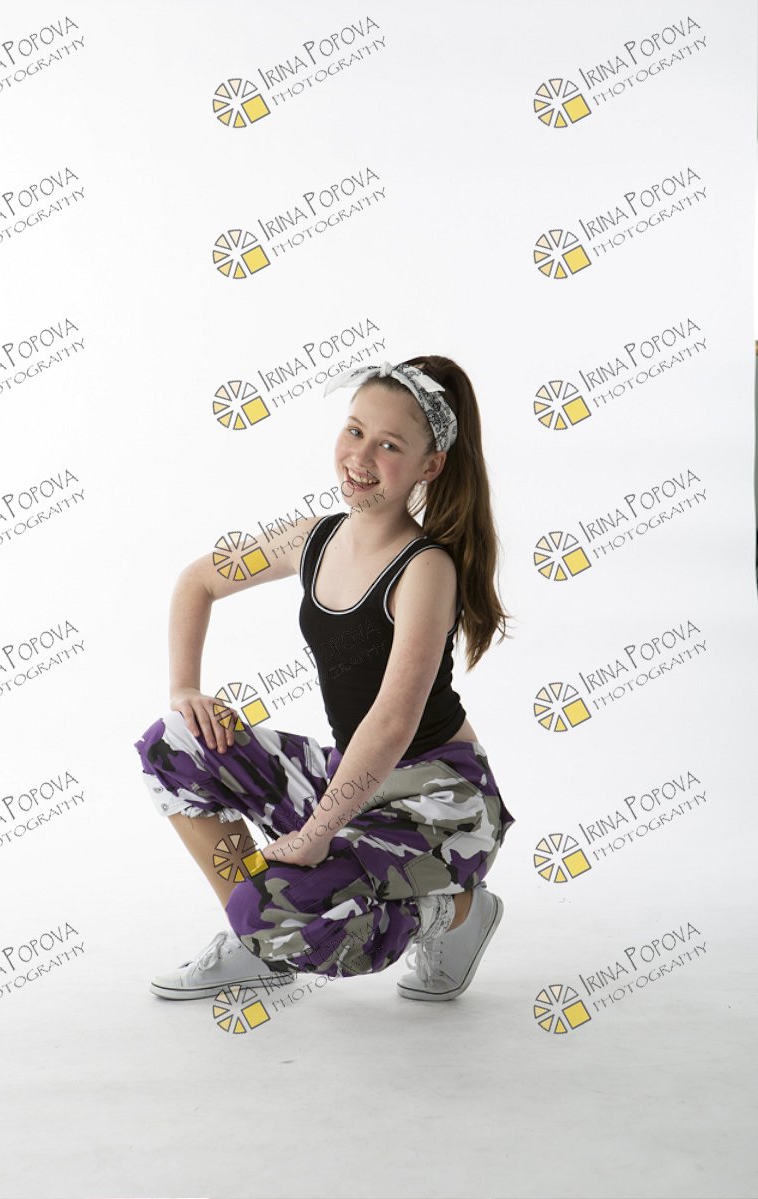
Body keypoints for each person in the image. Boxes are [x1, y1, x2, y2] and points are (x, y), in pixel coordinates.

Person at [133, 355, 515, 1006]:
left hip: (436, 802)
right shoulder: (312, 539)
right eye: (355, 430)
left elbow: (392, 722)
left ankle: (456, 911)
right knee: (173, 744)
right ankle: (255, 941)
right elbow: (198, 581)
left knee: (283, 910)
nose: (360, 456)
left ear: (430, 466)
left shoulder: (425, 570)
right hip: (351, 776)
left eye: (389, 445)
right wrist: (184, 689)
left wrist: (315, 836)